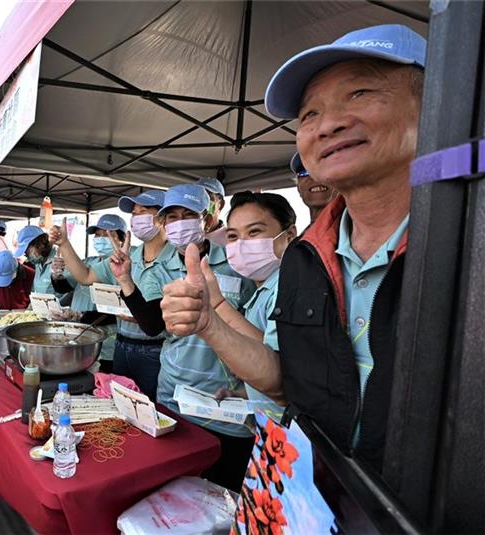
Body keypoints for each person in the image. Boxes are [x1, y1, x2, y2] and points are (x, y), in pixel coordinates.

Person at [161, 24, 425, 473]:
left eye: (360, 92)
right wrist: (211, 323)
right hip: (305, 487)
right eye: (309, 114)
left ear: (435, 106)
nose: (329, 124)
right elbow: (288, 383)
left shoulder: (465, 253)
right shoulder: (308, 258)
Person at [112, 184, 256, 490]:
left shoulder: (237, 263)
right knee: (172, 489)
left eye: (188, 215)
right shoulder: (161, 268)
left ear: (207, 219)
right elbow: (153, 325)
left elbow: (258, 333)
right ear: (163, 224)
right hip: (174, 398)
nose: (180, 224)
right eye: (172, 217)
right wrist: (125, 280)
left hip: (226, 405)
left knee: (222, 493)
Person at [49, 192, 175, 399]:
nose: (136, 217)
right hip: (122, 345)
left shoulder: (175, 260)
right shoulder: (127, 257)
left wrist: (136, 314)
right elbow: (85, 276)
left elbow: (162, 320)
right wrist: (64, 244)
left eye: (143, 211)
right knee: (118, 404)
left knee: (149, 407)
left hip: (155, 350)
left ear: (162, 217)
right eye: (134, 213)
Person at [215, 191, 298, 420]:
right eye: (233, 236)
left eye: (254, 232)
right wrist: (243, 395)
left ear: (289, 235)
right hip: (268, 426)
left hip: (290, 429)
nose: (241, 245)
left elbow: (276, 368)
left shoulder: (289, 287)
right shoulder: (263, 289)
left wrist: (217, 304)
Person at [50, 214, 127, 372]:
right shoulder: (88, 262)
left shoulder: (126, 267)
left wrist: (83, 316)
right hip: (79, 337)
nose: (100, 238)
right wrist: (57, 275)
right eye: (98, 235)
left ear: (122, 239)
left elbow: (124, 307)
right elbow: (65, 287)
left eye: (107, 234)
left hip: (107, 343)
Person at [13, 225, 72, 297]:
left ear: (39, 244)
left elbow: (70, 293)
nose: (27, 256)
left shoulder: (61, 259)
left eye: (27, 251)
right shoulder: (38, 263)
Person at [291, 152, 337, 226]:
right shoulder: (307, 233)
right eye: (305, 172)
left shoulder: (355, 227)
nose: (314, 177)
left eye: (323, 170)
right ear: (298, 189)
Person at [196, 177, 229, 246]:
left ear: (221, 204)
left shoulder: (230, 238)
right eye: (197, 197)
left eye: (208, 197)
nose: (202, 202)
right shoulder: (186, 234)